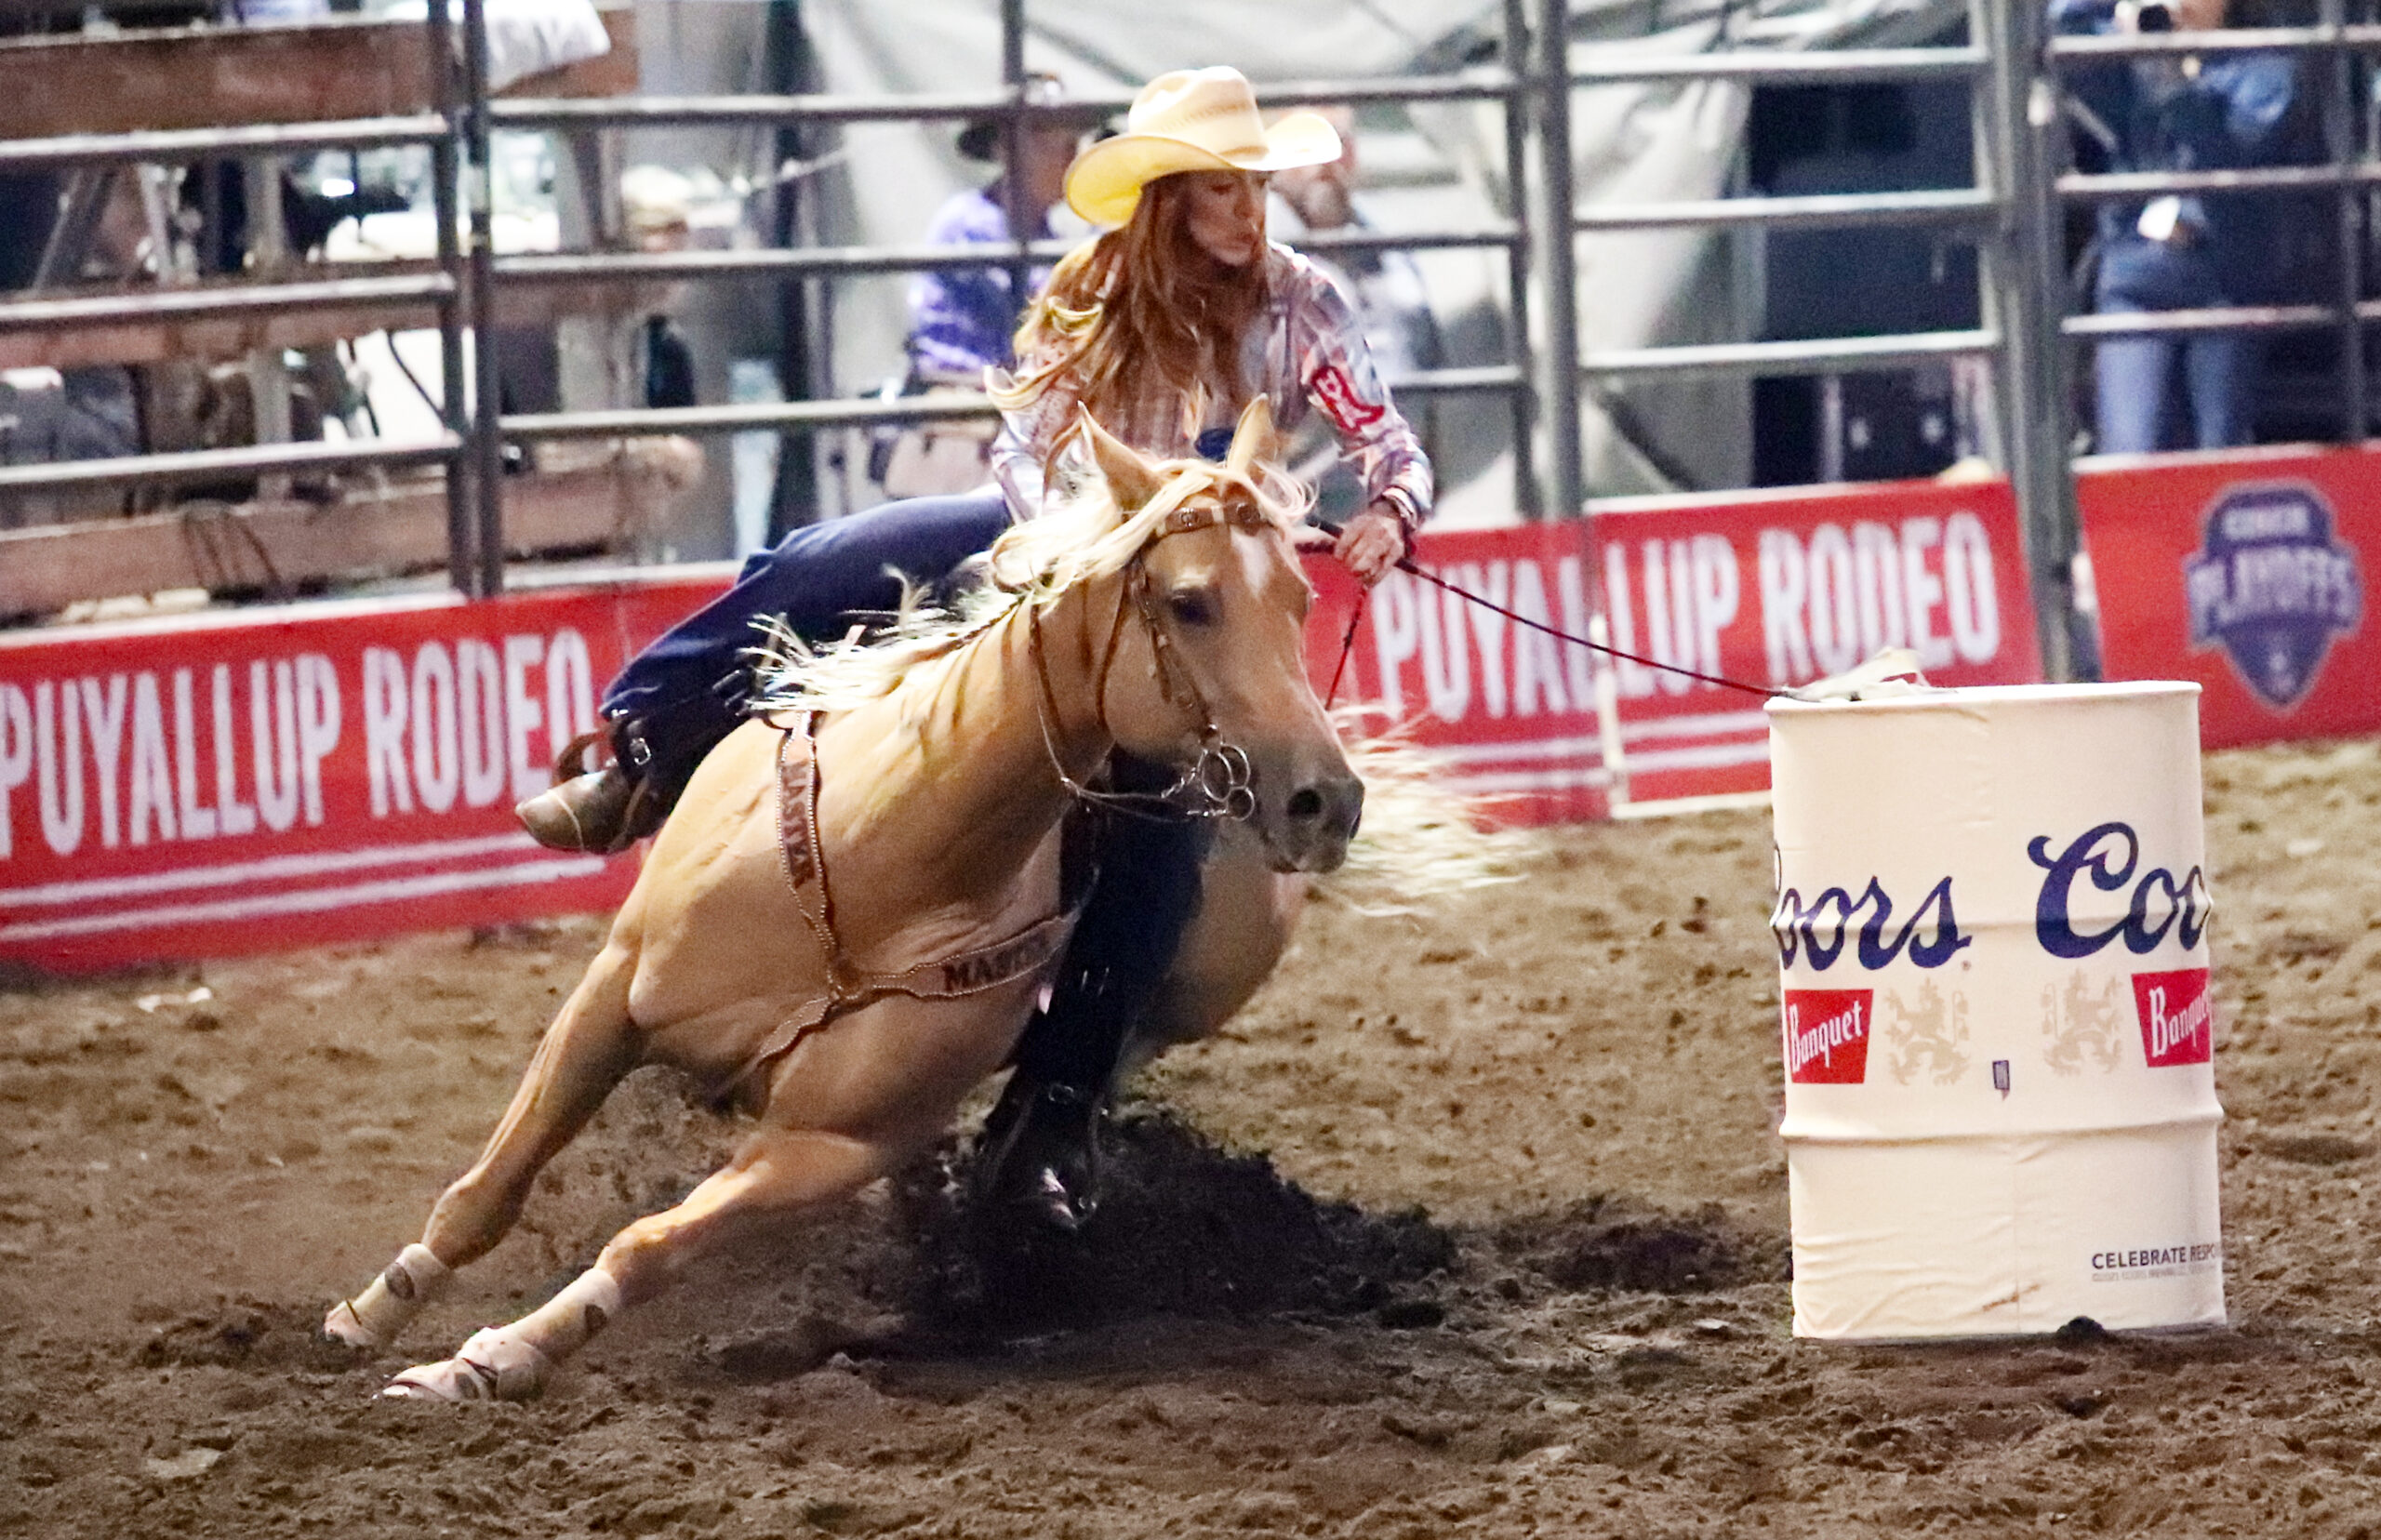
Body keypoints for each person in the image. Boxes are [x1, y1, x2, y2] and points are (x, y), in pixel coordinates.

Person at [514, 65, 1433, 1229]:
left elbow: (1386, 439)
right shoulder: (1092, 286)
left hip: (1195, 599)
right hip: (1071, 550)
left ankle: (1056, 1106)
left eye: (1253, 187)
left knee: (1156, 827)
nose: (1248, 213)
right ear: (1168, 199)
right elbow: (1025, 443)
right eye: (1219, 190)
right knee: (827, 559)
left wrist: (1389, 512)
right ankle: (645, 753)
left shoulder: (1303, 301)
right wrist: (1068, 546)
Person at [2053, 0, 2315, 452]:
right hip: (2135, 280)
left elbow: (2234, 148)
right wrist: (2124, 12)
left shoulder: (2262, 63)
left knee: (2218, 451)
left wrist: (2174, 78)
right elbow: (2060, 20)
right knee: (2129, 453)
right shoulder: (2127, 55)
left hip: (2224, 280)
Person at [877, 74, 1093, 498]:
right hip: (963, 429)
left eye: (1072, 143)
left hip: (1011, 421)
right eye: (1054, 141)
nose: (1071, 156)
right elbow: (1046, 309)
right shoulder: (970, 225)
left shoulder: (1043, 237)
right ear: (1006, 149)